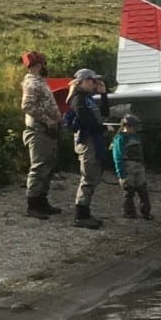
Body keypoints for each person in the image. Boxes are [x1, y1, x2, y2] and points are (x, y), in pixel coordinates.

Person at [20, 51, 63, 219]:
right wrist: (47, 120)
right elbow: (27, 106)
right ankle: (33, 205)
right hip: (39, 130)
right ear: (38, 65)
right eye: (43, 64)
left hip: (47, 130)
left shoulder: (40, 81)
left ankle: (42, 201)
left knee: (47, 166)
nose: (46, 67)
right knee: (38, 167)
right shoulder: (32, 83)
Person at [67, 67, 110, 229]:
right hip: (87, 141)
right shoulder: (78, 99)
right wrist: (103, 128)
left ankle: (85, 211)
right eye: (92, 80)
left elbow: (104, 113)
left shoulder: (89, 99)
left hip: (94, 140)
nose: (95, 83)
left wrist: (103, 93)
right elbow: (86, 122)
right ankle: (80, 214)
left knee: (93, 176)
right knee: (88, 176)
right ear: (82, 82)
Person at [111, 114, 151, 219]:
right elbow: (118, 156)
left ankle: (145, 212)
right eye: (133, 127)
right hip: (127, 166)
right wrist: (121, 174)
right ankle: (129, 212)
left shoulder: (136, 137)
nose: (135, 129)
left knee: (143, 189)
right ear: (126, 126)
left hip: (139, 166)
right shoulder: (120, 139)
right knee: (129, 191)